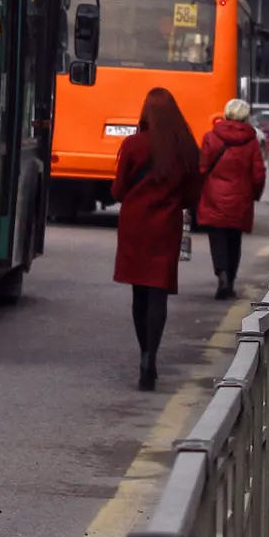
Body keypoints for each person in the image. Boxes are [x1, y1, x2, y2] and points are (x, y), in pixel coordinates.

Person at [111, 87, 201, 392]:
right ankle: (151, 357)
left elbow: (118, 191)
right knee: (158, 293)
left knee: (139, 294)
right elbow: (192, 195)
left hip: (136, 226)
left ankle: (144, 356)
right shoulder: (185, 147)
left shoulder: (134, 145)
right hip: (167, 227)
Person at [196, 99, 266, 301]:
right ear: (246, 117)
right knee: (234, 240)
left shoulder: (211, 137)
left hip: (214, 197)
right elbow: (259, 174)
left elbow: (202, 167)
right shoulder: (251, 142)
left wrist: (200, 189)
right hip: (240, 198)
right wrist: (254, 194)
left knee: (217, 238)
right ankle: (231, 281)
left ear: (226, 114)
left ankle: (222, 275)